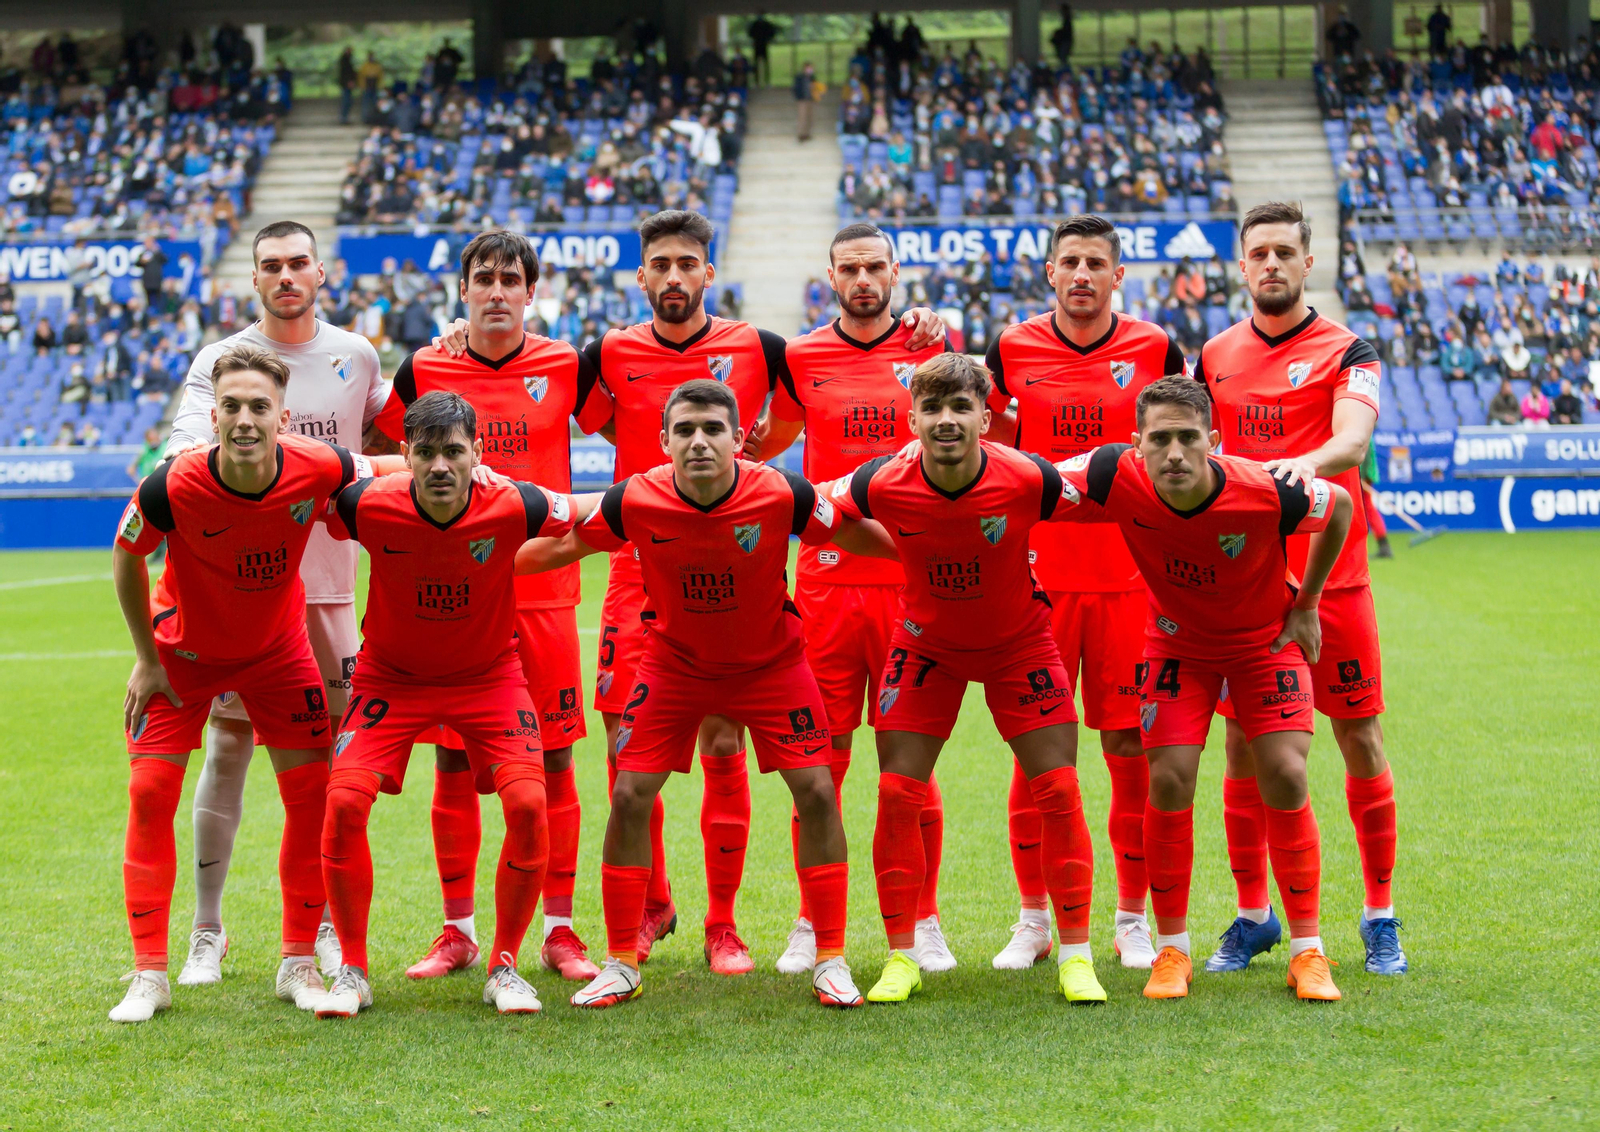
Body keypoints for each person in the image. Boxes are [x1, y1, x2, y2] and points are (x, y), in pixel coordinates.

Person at [434, 210, 943, 973]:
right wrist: (457, 341)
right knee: (624, 749)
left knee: (721, 742)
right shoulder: (603, 355)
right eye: (660, 265)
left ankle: (723, 923)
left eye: (688, 264)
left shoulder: (761, 348)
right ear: (642, 277)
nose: (674, 277)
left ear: (710, 273)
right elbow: (565, 412)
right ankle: (649, 907)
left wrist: (919, 326)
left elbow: (779, 425)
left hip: (733, 572)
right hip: (636, 570)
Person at [518, 380, 879, 1010]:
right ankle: (623, 962)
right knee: (629, 794)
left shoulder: (782, 494)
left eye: (713, 429)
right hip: (674, 665)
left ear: (739, 440)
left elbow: (849, 534)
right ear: (663, 442)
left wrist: (930, 556)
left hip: (770, 665)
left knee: (818, 790)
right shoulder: (636, 498)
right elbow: (569, 544)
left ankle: (830, 958)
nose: (699, 442)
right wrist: (473, 558)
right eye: (684, 430)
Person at [106, 346, 396, 1024]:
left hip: (277, 655)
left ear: (282, 417)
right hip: (183, 656)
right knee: (149, 795)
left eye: (258, 407)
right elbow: (125, 556)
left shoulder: (315, 465)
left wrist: (459, 467)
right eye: (231, 407)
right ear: (214, 416)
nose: (244, 419)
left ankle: (297, 962)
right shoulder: (170, 484)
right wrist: (146, 659)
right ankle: (150, 974)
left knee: (313, 797)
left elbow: (379, 466)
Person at [1054, 377, 1352, 1002]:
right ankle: (1172, 950)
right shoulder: (1115, 474)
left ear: (1213, 442)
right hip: (1176, 648)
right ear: (1135, 446)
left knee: (1288, 775)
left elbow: (1341, 509)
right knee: (1167, 779)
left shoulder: (1268, 489)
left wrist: (1310, 603)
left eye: (1189, 438)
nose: (1174, 454)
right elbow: (1036, 478)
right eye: (1159, 440)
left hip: (1263, 646)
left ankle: (1308, 952)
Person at [829, 352, 1106, 1007]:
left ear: (987, 416)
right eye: (933, 409)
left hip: (1020, 644)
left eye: (961, 408)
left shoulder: (1028, 477)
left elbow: (1115, 504)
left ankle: (1075, 954)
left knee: (1059, 789)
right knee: (899, 791)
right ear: (912, 418)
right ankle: (901, 955)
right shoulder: (882, 481)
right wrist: (904, 548)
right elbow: (820, 513)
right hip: (928, 647)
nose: (946, 420)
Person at [373, 231, 612, 983]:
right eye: (485, 278)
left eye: (513, 279)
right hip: (450, 597)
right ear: (465, 290)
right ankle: (457, 931)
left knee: (555, 757)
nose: (498, 290)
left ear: (532, 292)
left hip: (541, 591)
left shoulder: (567, 364)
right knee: (451, 757)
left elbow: (628, 424)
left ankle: (561, 930)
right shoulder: (425, 368)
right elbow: (390, 457)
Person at [164, 221, 387, 988]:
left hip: (334, 594)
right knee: (228, 748)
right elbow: (184, 454)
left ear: (321, 274)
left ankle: (320, 925)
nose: (285, 276)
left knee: (329, 764)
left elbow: (399, 440)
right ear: (253, 280)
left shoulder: (356, 355)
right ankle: (207, 930)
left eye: (298, 264)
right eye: (271, 266)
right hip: (247, 596)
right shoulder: (225, 365)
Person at [315, 392, 586, 1019]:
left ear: (478, 455)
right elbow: (316, 490)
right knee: (345, 801)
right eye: (428, 453)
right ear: (405, 455)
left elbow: (594, 514)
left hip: (488, 676)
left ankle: (505, 965)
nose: (441, 466)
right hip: (391, 678)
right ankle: (352, 970)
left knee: (527, 801)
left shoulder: (517, 503)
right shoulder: (366, 506)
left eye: (455, 452)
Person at [1196, 201, 1406, 976]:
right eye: (1259, 253)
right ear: (1243, 265)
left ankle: (1380, 914)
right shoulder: (1213, 355)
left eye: (1286, 251)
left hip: (1335, 584)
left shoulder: (1350, 347)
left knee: (1359, 737)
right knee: (1245, 747)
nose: (1272, 264)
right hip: (1244, 587)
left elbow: (1354, 437)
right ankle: (1255, 916)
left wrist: (1299, 467)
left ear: (1308, 262)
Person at [743, 223, 956, 976]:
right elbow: (772, 439)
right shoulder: (801, 357)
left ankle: (923, 918)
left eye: (875, 267)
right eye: (850, 269)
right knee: (819, 763)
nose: (863, 279)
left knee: (911, 767)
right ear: (829, 277)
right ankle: (812, 919)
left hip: (909, 580)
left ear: (895, 272)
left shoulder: (935, 345)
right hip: (828, 584)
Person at [983, 215, 1187, 972]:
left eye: (1095, 263)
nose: (1081, 274)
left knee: (1129, 750)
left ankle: (1131, 918)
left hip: (1130, 580)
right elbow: (987, 436)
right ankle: (1034, 918)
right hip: (1037, 581)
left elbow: (1184, 444)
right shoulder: (1012, 347)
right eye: (1068, 261)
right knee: (1036, 752)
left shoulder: (1155, 347)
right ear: (1048, 272)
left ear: (1118, 274)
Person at [748, 13, 779, 85]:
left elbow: (772, 32)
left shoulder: (766, 25)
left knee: (765, 64)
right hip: (757, 46)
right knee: (756, 65)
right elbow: (750, 33)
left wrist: (768, 39)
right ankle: (757, 81)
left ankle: (767, 80)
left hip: (763, 45)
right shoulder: (755, 25)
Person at [795, 62, 816, 142]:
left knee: (809, 117)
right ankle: (801, 134)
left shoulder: (812, 77)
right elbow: (796, 88)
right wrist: (799, 97)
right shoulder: (800, 77)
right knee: (802, 117)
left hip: (810, 100)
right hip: (802, 100)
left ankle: (807, 133)